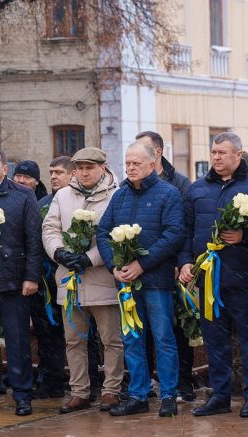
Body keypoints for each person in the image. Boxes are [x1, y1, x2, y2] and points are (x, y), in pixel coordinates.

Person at [178, 132, 248, 418]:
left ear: (238, 154)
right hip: (208, 280)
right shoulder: (197, 189)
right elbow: (187, 231)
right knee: (214, 341)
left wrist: (243, 236)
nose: (216, 157)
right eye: (214, 152)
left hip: (245, 278)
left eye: (222, 152)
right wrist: (184, 262)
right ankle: (219, 395)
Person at [96, 141, 185, 418]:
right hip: (125, 283)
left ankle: (169, 394)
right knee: (132, 339)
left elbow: (173, 234)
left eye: (136, 163)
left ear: (151, 164)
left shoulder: (168, 194)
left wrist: (141, 265)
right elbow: (103, 232)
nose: (131, 168)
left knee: (163, 338)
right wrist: (114, 266)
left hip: (155, 281)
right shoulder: (120, 196)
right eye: (128, 163)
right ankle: (138, 394)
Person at [42, 147, 124, 414]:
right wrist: (59, 253)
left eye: (91, 167)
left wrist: (91, 258)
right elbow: (50, 228)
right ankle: (79, 391)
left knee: (110, 339)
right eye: (81, 168)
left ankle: (112, 390)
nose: (85, 173)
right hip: (69, 278)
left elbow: (116, 235)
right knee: (73, 340)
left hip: (102, 278)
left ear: (102, 167)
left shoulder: (116, 194)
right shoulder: (63, 195)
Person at [0, 147, 42, 417]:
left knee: (18, 341)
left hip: (14, 281)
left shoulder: (23, 196)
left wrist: (32, 276)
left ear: (5, 169)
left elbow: (34, 239)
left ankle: (22, 396)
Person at [134, 130, 196, 402]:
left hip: (170, 268)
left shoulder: (179, 184)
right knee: (141, 331)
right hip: (139, 272)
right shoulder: (129, 188)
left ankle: (183, 383)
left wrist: (181, 261)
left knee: (174, 330)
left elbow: (181, 227)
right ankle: (144, 385)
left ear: (156, 153)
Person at [29, 156, 75, 400]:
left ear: (72, 174)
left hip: (72, 275)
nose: (54, 176)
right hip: (44, 279)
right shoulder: (42, 203)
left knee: (79, 332)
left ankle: (90, 380)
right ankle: (51, 381)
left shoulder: (79, 201)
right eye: (51, 172)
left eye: (59, 172)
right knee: (47, 332)